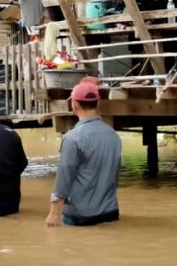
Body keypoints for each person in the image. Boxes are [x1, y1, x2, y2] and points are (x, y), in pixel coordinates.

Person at [46, 80, 121, 227]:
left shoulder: (72, 138)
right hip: (111, 212)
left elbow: (64, 178)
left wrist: (54, 213)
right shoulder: (114, 135)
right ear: (98, 103)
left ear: (74, 104)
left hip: (80, 216)